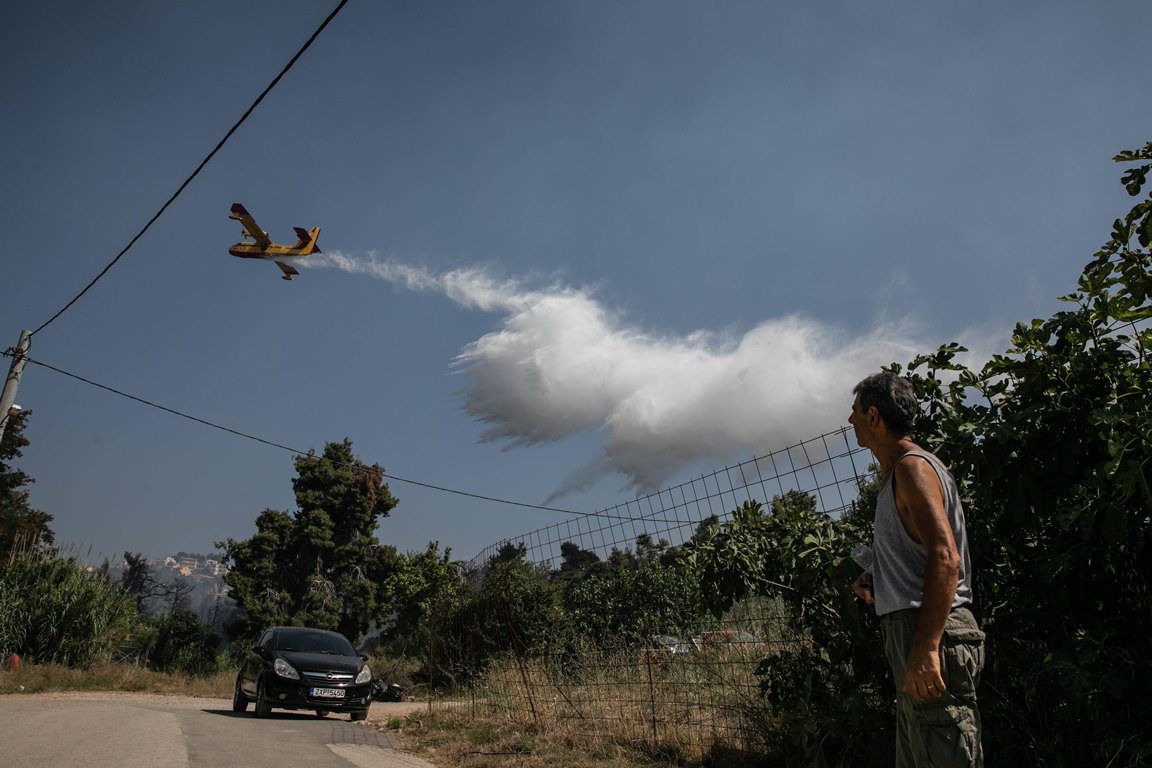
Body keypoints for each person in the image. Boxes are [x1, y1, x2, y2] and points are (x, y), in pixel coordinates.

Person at [848, 372, 985, 768]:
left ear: (874, 416)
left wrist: (926, 646)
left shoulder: (912, 468)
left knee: (944, 751)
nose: (850, 420)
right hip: (915, 630)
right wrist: (878, 578)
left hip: (930, 632)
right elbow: (921, 554)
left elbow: (945, 557)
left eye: (855, 412)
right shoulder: (897, 474)